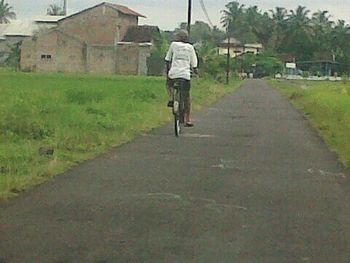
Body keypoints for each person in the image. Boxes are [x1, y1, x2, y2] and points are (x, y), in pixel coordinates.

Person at [165, 29, 198, 127]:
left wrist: (168, 72)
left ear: (178, 38)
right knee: (187, 96)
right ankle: (188, 118)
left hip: (174, 73)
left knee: (168, 84)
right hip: (185, 75)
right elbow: (194, 64)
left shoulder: (173, 45)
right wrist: (195, 71)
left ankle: (171, 98)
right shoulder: (190, 48)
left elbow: (167, 60)